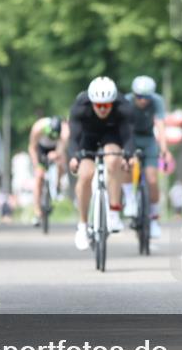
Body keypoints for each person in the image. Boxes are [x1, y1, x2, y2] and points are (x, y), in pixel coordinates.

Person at [67, 76, 134, 251]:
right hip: (87, 138)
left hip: (112, 135)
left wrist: (129, 156)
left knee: (114, 160)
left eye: (107, 105)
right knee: (85, 175)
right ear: (92, 102)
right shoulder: (80, 107)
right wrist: (74, 157)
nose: (103, 109)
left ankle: (113, 212)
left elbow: (128, 135)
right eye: (99, 105)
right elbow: (73, 137)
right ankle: (82, 226)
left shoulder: (123, 107)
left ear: (113, 103)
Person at [124, 75, 174, 238]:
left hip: (148, 139)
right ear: (134, 94)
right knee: (127, 166)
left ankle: (153, 219)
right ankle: (130, 199)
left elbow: (160, 124)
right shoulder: (126, 101)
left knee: (152, 180)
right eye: (139, 97)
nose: (143, 101)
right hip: (130, 138)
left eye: (146, 97)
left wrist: (164, 149)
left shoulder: (157, 101)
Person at [28, 115, 69, 227]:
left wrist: (56, 155)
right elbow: (32, 148)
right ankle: (37, 211)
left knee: (61, 164)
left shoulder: (64, 134)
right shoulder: (38, 128)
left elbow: (60, 151)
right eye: (50, 136)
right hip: (40, 149)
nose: (51, 138)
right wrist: (37, 165)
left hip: (55, 149)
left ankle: (58, 185)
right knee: (39, 177)